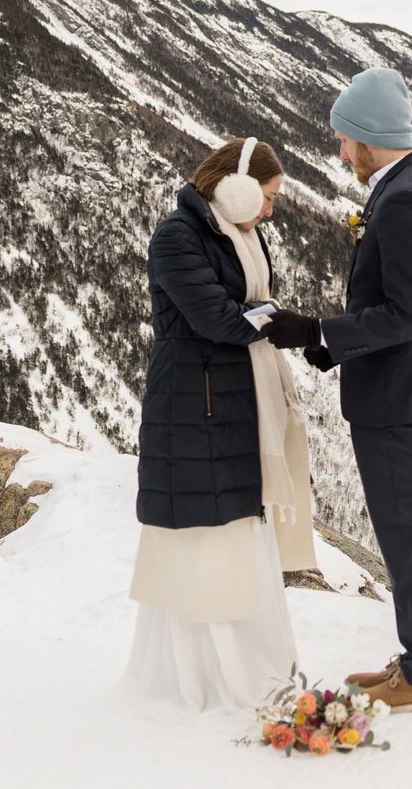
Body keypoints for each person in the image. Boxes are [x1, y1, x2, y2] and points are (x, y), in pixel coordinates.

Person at [261, 68, 412, 713]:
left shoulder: (403, 200)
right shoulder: (409, 183)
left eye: (345, 139)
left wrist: (317, 328)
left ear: (370, 137)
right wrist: (327, 343)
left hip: (399, 399)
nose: (341, 152)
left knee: (409, 534)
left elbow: (405, 314)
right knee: (406, 532)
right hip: (401, 388)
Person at [120, 136, 318, 712]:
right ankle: (208, 675)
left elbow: (245, 314)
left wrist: (260, 319)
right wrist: (268, 320)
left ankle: (248, 666)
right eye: (268, 197)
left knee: (237, 522)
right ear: (235, 188)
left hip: (229, 402)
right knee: (210, 529)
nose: (271, 210)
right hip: (195, 407)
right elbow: (216, 319)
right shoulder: (177, 236)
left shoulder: (241, 235)